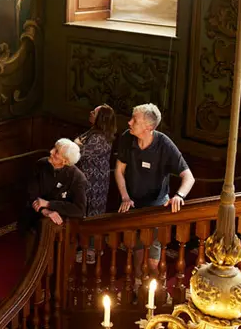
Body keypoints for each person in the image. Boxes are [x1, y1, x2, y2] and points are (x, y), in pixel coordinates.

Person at [114, 103, 195, 288]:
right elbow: (119, 170)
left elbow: (189, 177)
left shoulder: (164, 144)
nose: (129, 122)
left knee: (153, 260)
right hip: (134, 206)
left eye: (135, 120)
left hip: (157, 206)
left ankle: (159, 291)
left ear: (149, 127)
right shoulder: (127, 138)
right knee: (137, 253)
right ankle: (136, 290)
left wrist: (179, 195)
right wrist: (125, 197)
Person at [19, 139, 87, 261]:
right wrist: (45, 211)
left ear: (65, 161)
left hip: (61, 226)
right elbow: (31, 195)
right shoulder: (40, 164)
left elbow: (79, 209)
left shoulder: (77, 178)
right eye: (53, 148)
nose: (51, 152)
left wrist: (50, 204)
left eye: (56, 152)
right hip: (35, 217)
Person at [75, 103, 117, 264]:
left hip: (95, 182)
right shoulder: (93, 132)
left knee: (93, 215)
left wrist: (77, 144)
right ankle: (85, 247)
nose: (90, 113)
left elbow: (78, 151)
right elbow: (76, 144)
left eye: (94, 112)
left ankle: (92, 250)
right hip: (86, 180)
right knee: (85, 212)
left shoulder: (99, 138)